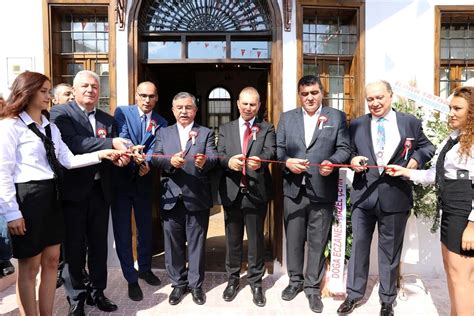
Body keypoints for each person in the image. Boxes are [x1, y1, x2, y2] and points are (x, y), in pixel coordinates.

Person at [0, 71, 122, 316]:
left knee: (52, 261)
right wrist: (12, 212)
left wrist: (102, 154)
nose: (50, 97)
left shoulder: (50, 127)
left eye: (48, 91)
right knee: (30, 267)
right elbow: (3, 171)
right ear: (27, 91)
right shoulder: (10, 126)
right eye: (44, 92)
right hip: (28, 196)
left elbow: (68, 159)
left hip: (51, 195)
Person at [337, 80, 435, 316]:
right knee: (359, 247)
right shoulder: (358, 124)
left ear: (390, 96)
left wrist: (416, 161)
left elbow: (427, 147)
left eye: (379, 97)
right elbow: (348, 150)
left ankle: (387, 299)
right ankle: (353, 295)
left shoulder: (409, 122)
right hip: (364, 196)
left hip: (396, 197)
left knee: (390, 251)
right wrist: (352, 160)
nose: (375, 103)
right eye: (370, 99)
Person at [387, 86, 474, 316]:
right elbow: (434, 176)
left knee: (462, 277)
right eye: (450, 108)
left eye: (458, 108)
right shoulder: (454, 138)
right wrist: (404, 172)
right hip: (450, 210)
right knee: (452, 272)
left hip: (465, 214)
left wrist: (472, 226)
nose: (451, 113)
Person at [50, 70, 130, 315]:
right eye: (84, 86)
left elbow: (110, 152)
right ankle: (76, 298)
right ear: (74, 90)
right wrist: (111, 144)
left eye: (95, 87)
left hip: (100, 191)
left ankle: (98, 292)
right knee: (74, 247)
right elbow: (73, 144)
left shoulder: (107, 119)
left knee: (99, 247)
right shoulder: (60, 113)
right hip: (73, 193)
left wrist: (120, 158)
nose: (90, 90)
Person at [276, 75, 351, 313]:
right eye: (305, 94)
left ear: (322, 93)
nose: (310, 97)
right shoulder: (287, 118)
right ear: (300, 95)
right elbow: (278, 151)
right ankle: (295, 282)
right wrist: (287, 162)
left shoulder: (336, 116)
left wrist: (333, 161)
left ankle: (312, 288)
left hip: (322, 188)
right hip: (294, 190)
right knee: (295, 240)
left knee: (318, 241)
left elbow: (344, 148)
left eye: (314, 93)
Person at [151, 92, 218, 306]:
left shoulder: (205, 132)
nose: (183, 111)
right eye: (179, 107)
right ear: (172, 110)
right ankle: (178, 284)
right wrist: (170, 161)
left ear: (195, 110)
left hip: (196, 196)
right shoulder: (163, 133)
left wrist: (204, 162)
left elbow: (214, 156)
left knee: (197, 243)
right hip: (171, 197)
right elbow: (155, 157)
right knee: (173, 244)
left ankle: (196, 285)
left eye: (188, 107)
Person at [217, 87, 276, 307]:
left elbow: (272, 151)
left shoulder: (267, 128)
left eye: (253, 104)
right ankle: (232, 280)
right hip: (232, 192)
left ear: (259, 105)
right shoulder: (226, 128)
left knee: (256, 242)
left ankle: (256, 282)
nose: (248, 108)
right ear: (238, 104)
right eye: (245, 103)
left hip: (256, 192)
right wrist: (228, 162)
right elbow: (219, 154)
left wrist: (261, 159)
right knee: (232, 241)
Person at [112, 81, 168, 301]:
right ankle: (131, 277)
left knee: (145, 228)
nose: (146, 100)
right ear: (136, 95)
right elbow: (123, 137)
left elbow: (158, 148)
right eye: (143, 95)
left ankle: (144, 268)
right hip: (122, 180)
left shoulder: (161, 121)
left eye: (151, 96)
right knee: (123, 231)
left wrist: (149, 162)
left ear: (156, 98)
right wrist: (134, 157)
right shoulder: (123, 112)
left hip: (145, 181)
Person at [51, 82, 76, 289]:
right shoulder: (54, 119)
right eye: (66, 94)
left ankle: (73, 271)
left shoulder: (77, 119)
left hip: (74, 189)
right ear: (54, 99)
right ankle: (61, 271)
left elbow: (69, 157)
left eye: (71, 94)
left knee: (75, 239)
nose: (70, 97)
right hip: (53, 188)